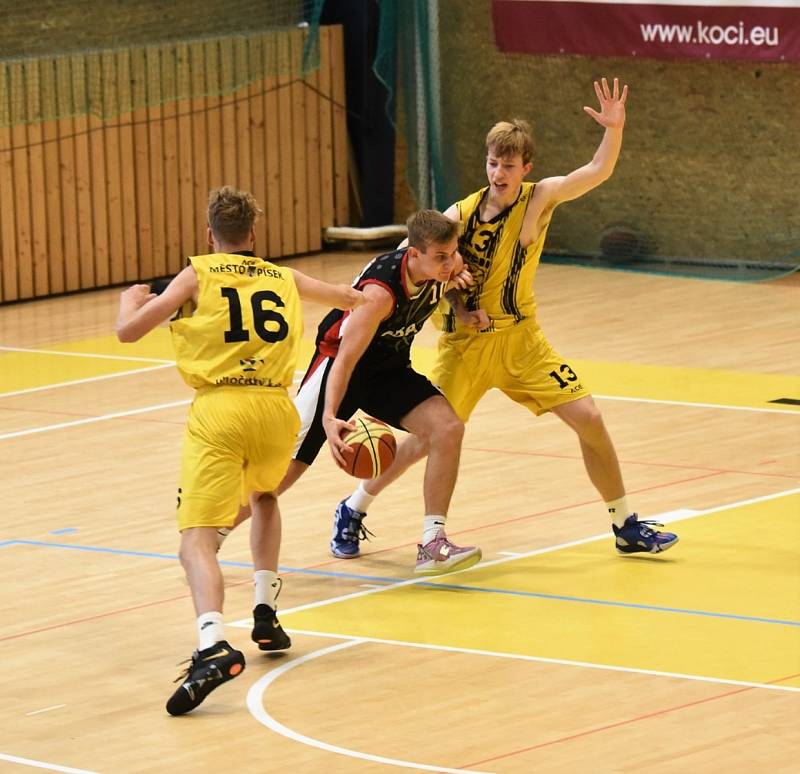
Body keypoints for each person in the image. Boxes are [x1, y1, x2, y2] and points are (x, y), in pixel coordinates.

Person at [331, 77, 679, 557]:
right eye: (492, 163)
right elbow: (404, 258)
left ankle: (625, 525)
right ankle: (353, 507)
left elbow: (597, 170)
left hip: (522, 341)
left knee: (590, 417)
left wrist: (614, 129)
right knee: (421, 442)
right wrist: (396, 300)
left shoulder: (539, 198)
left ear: (525, 168)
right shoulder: (459, 214)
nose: (498, 172)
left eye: (508, 165)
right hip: (467, 347)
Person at [116, 186, 364, 716]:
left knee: (195, 543)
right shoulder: (283, 276)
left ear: (210, 235)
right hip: (279, 410)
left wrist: (129, 301)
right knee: (266, 496)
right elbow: (347, 296)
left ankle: (212, 644)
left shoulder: (198, 273)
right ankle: (265, 610)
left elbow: (128, 333)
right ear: (254, 234)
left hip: (222, 409)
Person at [225, 208, 483, 575]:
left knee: (448, 428)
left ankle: (432, 542)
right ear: (414, 254)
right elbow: (345, 360)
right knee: (285, 470)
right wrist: (330, 417)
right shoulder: (379, 294)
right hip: (339, 367)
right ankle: (213, 531)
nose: (451, 262)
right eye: (441, 257)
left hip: (387, 368)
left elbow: (451, 280)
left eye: (453, 253)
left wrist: (463, 309)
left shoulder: (443, 264)